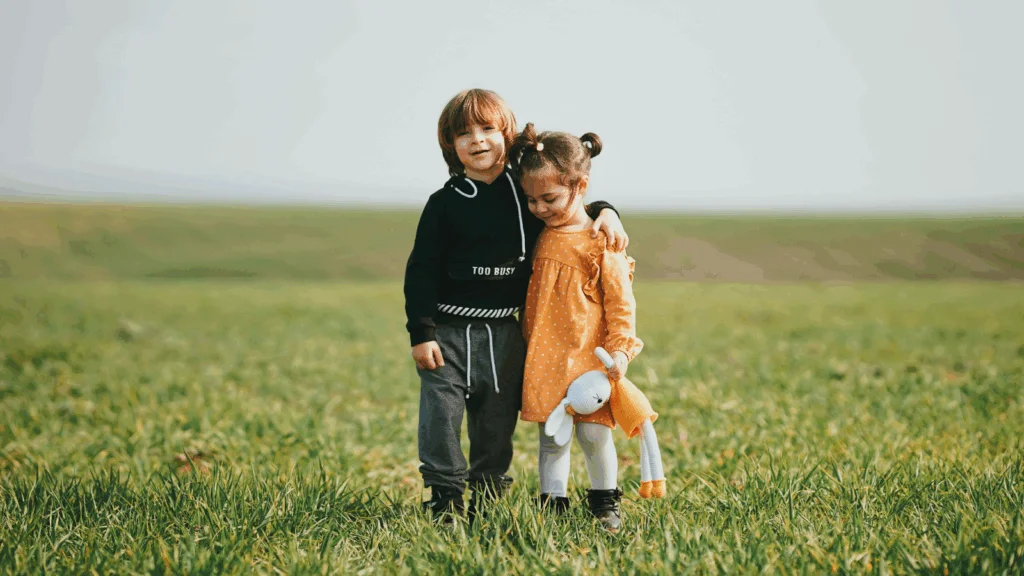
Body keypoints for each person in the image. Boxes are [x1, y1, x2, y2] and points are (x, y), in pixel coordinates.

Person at [403, 89, 630, 523]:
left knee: (495, 424)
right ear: (450, 144)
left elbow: (568, 207)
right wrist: (421, 332)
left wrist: (608, 210)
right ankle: (445, 501)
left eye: (488, 128)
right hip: (448, 334)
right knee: (440, 421)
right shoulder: (444, 204)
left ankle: (488, 501)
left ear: (506, 133)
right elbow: (421, 270)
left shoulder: (526, 193)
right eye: (463, 132)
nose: (478, 139)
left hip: (507, 334)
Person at [511, 122, 645, 532]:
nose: (539, 208)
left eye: (549, 198)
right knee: (552, 438)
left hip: (589, 361)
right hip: (545, 356)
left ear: (580, 185)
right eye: (531, 199)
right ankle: (553, 507)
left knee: (593, 436)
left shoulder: (602, 241)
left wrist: (621, 351)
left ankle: (605, 503)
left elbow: (622, 305)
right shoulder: (539, 234)